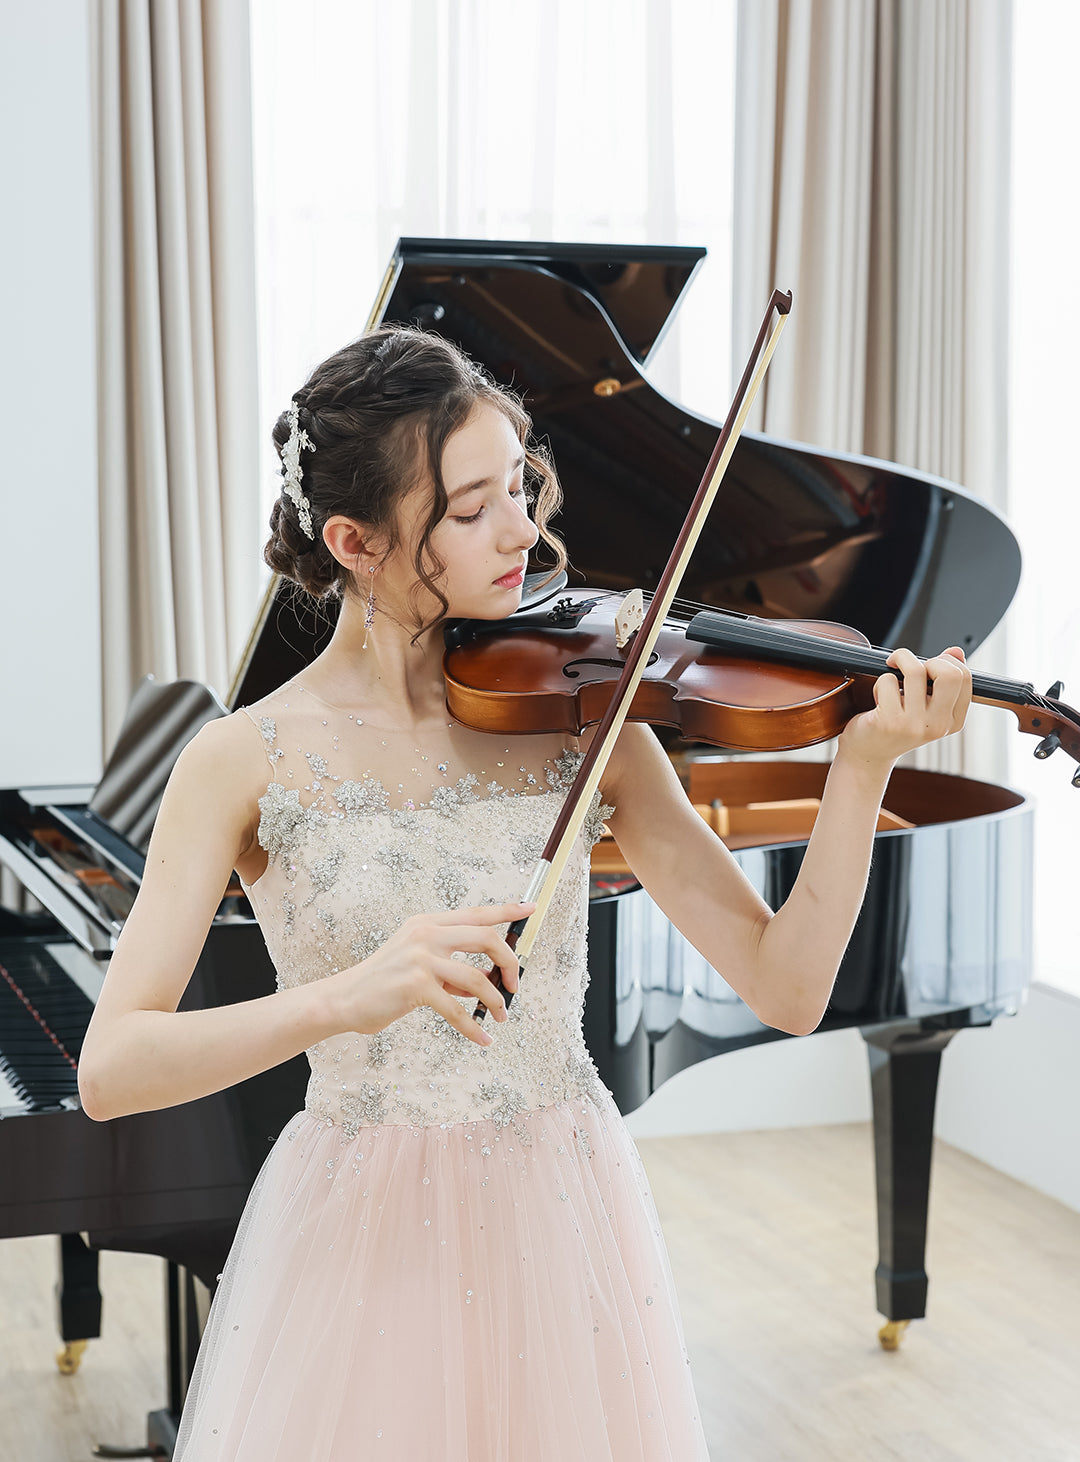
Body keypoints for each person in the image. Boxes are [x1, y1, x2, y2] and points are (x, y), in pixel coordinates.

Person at [77, 325, 972, 1460]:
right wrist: (349, 997)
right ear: (355, 540)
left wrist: (863, 768)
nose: (525, 529)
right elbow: (111, 1072)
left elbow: (789, 987)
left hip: (562, 1210)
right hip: (359, 1231)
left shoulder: (586, 717)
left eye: (519, 484)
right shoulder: (240, 761)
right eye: (468, 508)